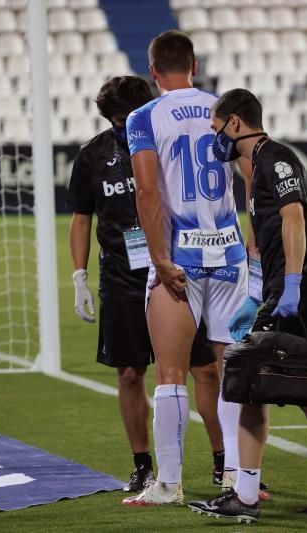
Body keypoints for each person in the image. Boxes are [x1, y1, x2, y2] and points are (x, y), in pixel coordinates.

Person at [189, 89, 307, 523]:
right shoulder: (257, 166)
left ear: (234, 122)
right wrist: (255, 290)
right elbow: (262, 231)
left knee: (250, 385)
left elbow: (294, 218)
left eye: (215, 129)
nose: (215, 140)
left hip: (297, 290)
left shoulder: (277, 159)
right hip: (285, 289)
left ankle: (244, 496)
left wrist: (292, 285)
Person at [66, 76, 226, 499]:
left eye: (126, 119)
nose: (122, 127)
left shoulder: (171, 137)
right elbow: (82, 216)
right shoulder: (93, 155)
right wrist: (79, 274)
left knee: (206, 368)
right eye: (115, 121)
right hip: (122, 275)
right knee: (131, 372)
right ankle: (142, 466)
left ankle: (222, 461)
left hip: (176, 270)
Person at [125, 30, 253, 506]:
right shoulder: (225, 108)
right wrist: (252, 251)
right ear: (194, 64)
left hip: (178, 260)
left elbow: (148, 192)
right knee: (232, 371)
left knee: (171, 374)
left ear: (153, 71)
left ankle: (170, 484)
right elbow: (253, 178)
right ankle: (239, 478)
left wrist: (159, 258)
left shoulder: (144, 116)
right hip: (229, 255)